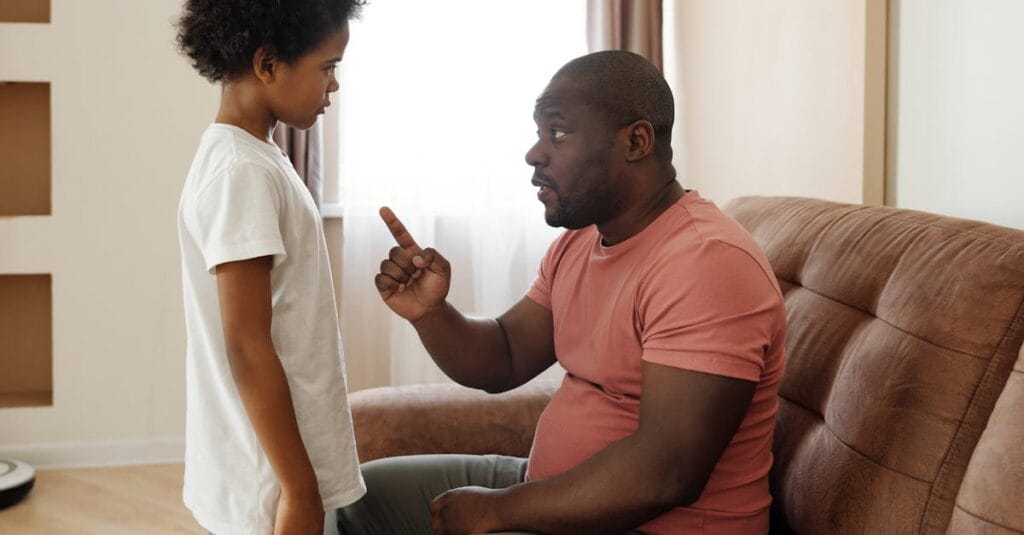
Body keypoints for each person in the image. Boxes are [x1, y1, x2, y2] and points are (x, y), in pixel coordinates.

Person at [336, 50, 787, 534]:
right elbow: (504, 356)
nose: (535, 153)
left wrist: (496, 510)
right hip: (552, 489)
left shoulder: (704, 262)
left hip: (649, 524)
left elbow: (667, 472)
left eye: (558, 132)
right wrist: (431, 313)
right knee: (356, 499)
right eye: (537, 133)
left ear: (636, 141)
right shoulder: (580, 241)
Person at [175, 1, 367, 533]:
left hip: (272, 470)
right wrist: (298, 489)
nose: (334, 86)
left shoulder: (254, 158)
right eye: (328, 67)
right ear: (267, 65)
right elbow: (246, 343)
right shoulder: (241, 172)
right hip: (271, 479)